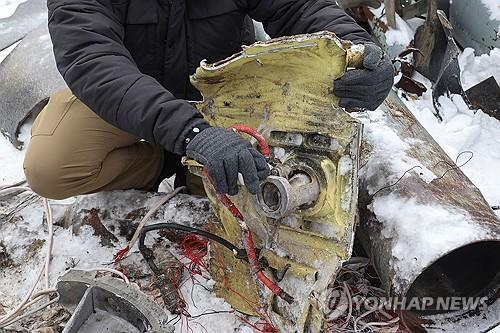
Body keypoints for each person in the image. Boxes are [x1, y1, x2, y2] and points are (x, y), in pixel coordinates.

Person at [23, 0, 394, 200]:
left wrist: (357, 50)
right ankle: (157, 164)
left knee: (238, 198)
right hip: (125, 96)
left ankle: (193, 172)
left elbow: (298, 7)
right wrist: (189, 134)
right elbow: (93, 60)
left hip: (220, 96)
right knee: (51, 167)